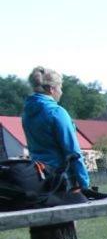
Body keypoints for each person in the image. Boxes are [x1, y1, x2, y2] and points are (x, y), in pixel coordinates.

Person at [22, 66, 91, 194]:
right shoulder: (57, 112)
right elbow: (73, 152)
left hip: (39, 178)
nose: (61, 91)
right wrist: (84, 183)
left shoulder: (26, 113)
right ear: (51, 89)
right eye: (60, 87)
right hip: (62, 179)